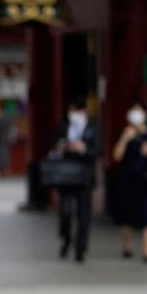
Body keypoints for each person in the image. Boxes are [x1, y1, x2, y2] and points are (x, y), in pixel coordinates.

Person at [55, 100, 100, 263]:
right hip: (66, 176)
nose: (73, 114)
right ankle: (66, 238)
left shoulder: (93, 129)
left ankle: (80, 248)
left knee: (84, 215)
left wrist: (84, 149)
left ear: (84, 111)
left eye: (76, 110)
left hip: (85, 176)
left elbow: (97, 151)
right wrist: (65, 147)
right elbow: (56, 146)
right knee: (65, 211)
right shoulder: (64, 127)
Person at [112, 102, 147, 260]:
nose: (136, 114)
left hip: (146, 180)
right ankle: (127, 247)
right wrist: (125, 138)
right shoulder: (125, 133)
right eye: (133, 111)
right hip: (127, 179)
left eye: (139, 111)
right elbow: (116, 156)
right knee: (126, 216)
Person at [0, 107, 16, 177]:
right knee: (5, 155)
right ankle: (5, 171)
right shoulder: (9, 119)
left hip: (0, 140)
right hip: (5, 140)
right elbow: (12, 129)